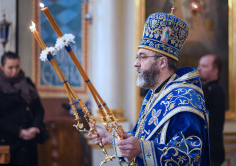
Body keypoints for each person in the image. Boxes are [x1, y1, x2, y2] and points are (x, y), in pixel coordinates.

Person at [89, 12, 210, 165]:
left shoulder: (185, 98)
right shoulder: (154, 95)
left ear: (162, 62)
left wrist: (141, 149)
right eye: (137, 57)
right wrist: (111, 137)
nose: (136, 63)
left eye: (143, 56)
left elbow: (189, 155)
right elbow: (143, 138)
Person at [0, 52, 46, 166]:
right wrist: (19, 131)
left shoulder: (27, 83)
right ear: (2, 67)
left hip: (28, 141)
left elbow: (39, 109)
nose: (14, 71)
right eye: (10, 68)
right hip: (5, 143)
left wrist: (35, 127)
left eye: (17, 67)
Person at [198, 54, 225, 166]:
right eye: (199, 65)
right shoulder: (207, 89)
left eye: (204, 66)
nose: (199, 68)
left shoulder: (213, 91)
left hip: (210, 153)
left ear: (215, 71)